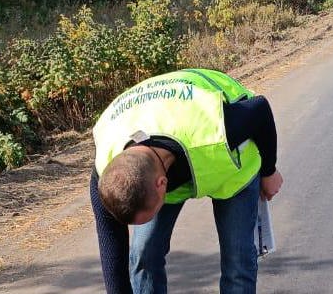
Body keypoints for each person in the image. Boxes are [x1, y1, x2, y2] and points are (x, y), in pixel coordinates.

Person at [90, 67, 284, 294]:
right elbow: (113, 255)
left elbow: (260, 109)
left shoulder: (215, 131)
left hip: (229, 165)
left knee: (237, 257)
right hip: (161, 129)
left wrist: (269, 171)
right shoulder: (108, 171)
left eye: (147, 217)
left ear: (162, 184)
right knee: (144, 252)